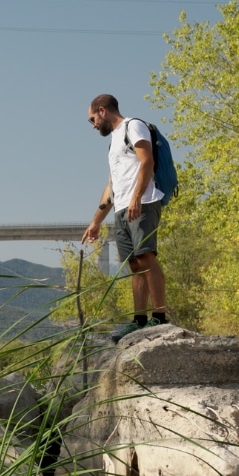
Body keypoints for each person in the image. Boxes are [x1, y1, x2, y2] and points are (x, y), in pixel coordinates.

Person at [82, 94, 170, 342]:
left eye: (92, 119)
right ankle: (139, 320)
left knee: (146, 256)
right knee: (133, 264)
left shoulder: (133, 126)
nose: (93, 125)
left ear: (102, 111)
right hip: (122, 209)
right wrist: (96, 221)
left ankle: (159, 317)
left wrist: (136, 197)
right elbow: (111, 186)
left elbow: (147, 161)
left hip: (143, 203)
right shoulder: (113, 143)